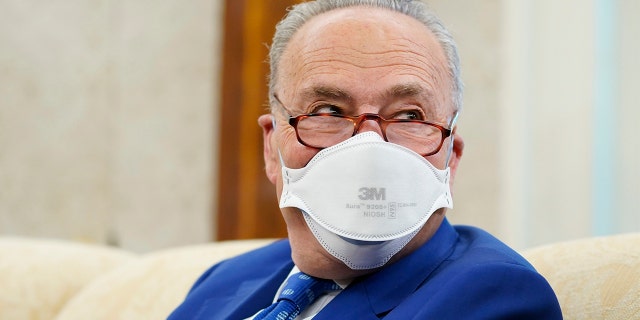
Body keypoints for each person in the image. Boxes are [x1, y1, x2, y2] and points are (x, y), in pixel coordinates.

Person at [169, 0, 562, 319]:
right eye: (327, 111)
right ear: (272, 148)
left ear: (451, 160)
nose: (369, 149)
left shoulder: (495, 298)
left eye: (409, 115)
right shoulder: (225, 280)